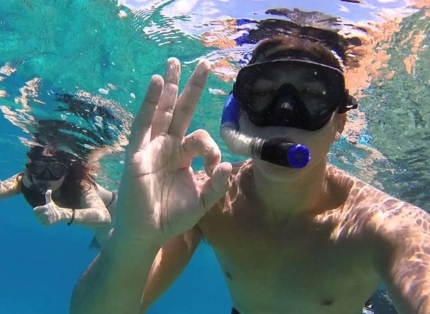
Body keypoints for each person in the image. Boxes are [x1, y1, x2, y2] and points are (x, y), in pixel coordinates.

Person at [70, 34, 430, 314]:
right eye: (261, 94)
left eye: (312, 96)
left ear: (339, 121)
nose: (284, 113)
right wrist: (135, 238)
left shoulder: (386, 226)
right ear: (236, 117)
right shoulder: (206, 200)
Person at [0, 120, 118, 250]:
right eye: (38, 168)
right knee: (105, 246)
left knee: (109, 247)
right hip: (94, 225)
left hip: (118, 211)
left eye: (56, 170)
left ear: (65, 172)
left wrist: (62, 214)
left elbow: (103, 216)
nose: (46, 177)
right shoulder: (24, 181)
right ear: (30, 169)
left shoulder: (80, 185)